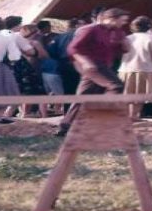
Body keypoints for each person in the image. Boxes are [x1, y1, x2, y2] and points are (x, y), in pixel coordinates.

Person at [56, 8, 131, 137]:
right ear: (112, 18)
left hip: (103, 65)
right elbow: (73, 48)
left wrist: (124, 43)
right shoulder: (91, 29)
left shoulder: (115, 32)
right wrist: (84, 61)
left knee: (83, 96)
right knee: (115, 86)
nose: (123, 23)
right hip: (93, 65)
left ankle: (65, 126)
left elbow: (122, 49)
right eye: (122, 20)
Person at [118, 15, 152, 120]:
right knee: (140, 95)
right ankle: (134, 115)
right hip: (145, 69)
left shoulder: (127, 38)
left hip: (126, 69)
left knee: (128, 94)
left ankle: (127, 116)